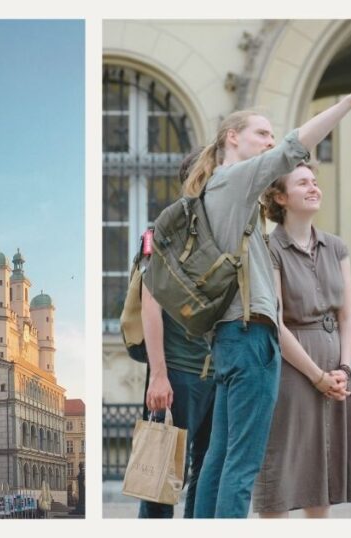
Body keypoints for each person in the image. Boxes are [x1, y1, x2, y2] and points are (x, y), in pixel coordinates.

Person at [190, 72, 351, 518]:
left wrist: (340, 367)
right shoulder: (235, 182)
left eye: (270, 134)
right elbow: (295, 145)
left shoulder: (220, 189)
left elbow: (346, 316)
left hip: (231, 338)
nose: (269, 142)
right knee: (246, 467)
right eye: (261, 133)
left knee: (220, 457)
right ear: (233, 138)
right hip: (251, 341)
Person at [252, 163, 351, 518]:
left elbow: (348, 316)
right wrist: (318, 376)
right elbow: (275, 321)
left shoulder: (336, 247)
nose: (314, 188)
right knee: (281, 477)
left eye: (315, 182)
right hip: (292, 368)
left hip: (336, 369)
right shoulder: (270, 247)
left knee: (323, 479)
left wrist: (344, 369)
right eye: (303, 183)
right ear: (281, 197)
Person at [137, 149, 215, 519]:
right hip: (178, 373)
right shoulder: (164, 229)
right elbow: (149, 302)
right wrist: (159, 374)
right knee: (161, 480)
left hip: (219, 372)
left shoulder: (227, 229)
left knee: (207, 475)